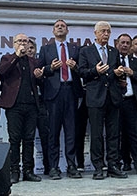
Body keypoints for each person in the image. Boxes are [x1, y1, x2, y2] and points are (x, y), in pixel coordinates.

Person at [77, 21, 127, 180]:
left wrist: (119, 72)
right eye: (103, 31)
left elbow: (117, 71)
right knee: (97, 135)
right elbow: (81, 72)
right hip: (95, 98)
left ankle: (113, 165)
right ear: (95, 33)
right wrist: (95, 71)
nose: (106, 34)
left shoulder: (114, 51)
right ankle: (98, 167)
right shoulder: (86, 51)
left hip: (113, 97)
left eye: (108, 32)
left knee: (113, 134)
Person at [35, 20, 83, 179]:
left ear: (67, 30)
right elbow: (39, 72)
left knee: (71, 131)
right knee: (53, 132)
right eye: (57, 26)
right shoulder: (45, 49)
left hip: (71, 91)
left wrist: (75, 67)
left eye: (63, 26)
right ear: (53, 31)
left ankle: (72, 166)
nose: (60, 27)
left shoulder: (75, 48)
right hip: (53, 94)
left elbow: (82, 71)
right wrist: (51, 68)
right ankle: (54, 168)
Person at [0, 33, 42, 183]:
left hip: (31, 105)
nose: (23, 44)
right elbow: (3, 72)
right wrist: (16, 56)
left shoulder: (34, 61)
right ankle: (14, 171)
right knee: (15, 139)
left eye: (25, 41)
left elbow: (39, 81)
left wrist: (39, 76)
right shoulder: (7, 58)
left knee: (29, 139)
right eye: (20, 41)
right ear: (14, 44)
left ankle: (28, 171)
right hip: (14, 106)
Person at [115, 33, 137, 172]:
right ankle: (121, 163)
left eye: (128, 43)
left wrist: (132, 73)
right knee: (116, 134)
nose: (125, 45)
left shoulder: (134, 61)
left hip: (132, 102)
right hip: (116, 102)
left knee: (135, 135)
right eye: (123, 42)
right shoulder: (112, 58)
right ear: (117, 44)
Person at [28, 39, 50, 176]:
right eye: (27, 47)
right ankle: (28, 169)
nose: (29, 50)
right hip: (27, 104)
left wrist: (40, 77)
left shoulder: (40, 64)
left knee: (46, 136)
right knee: (28, 138)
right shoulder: (18, 63)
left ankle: (49, 166)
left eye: (32, 48)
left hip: (41, 103)